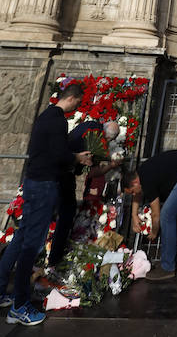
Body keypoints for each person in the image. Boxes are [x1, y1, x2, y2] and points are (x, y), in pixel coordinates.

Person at [0, 83, 92, 327]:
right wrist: (78, 157)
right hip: (44, 186)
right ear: (72, 99)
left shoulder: (45, 115)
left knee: (21, 239)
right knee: (31, 244)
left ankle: (1, 291)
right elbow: (59, 155)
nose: (77, 108)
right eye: (78, 103)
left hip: (32, 182)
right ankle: (20, 306)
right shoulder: (59, 120)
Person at [48, 118, 120, 270]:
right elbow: (93, 171)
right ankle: (54, 258)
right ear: (107, 136)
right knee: (66, 212)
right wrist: (112, 165)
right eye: (110, 139)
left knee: (55, 211)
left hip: (52, 171)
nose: (108, 142)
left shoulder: (88, 126)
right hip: (64, 174)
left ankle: (49, 254)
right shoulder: (96, 139)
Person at [123, 149, 177, 281]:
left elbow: (156, 214)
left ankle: (167, 267)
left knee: (167, 214)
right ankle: (173, 259)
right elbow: (137, 195)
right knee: (175, 212)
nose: (134, 195)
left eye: (132, 192)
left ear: (135, 183)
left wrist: (154, 232)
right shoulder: (141, 175)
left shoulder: (147, 180)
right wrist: (134, 216)